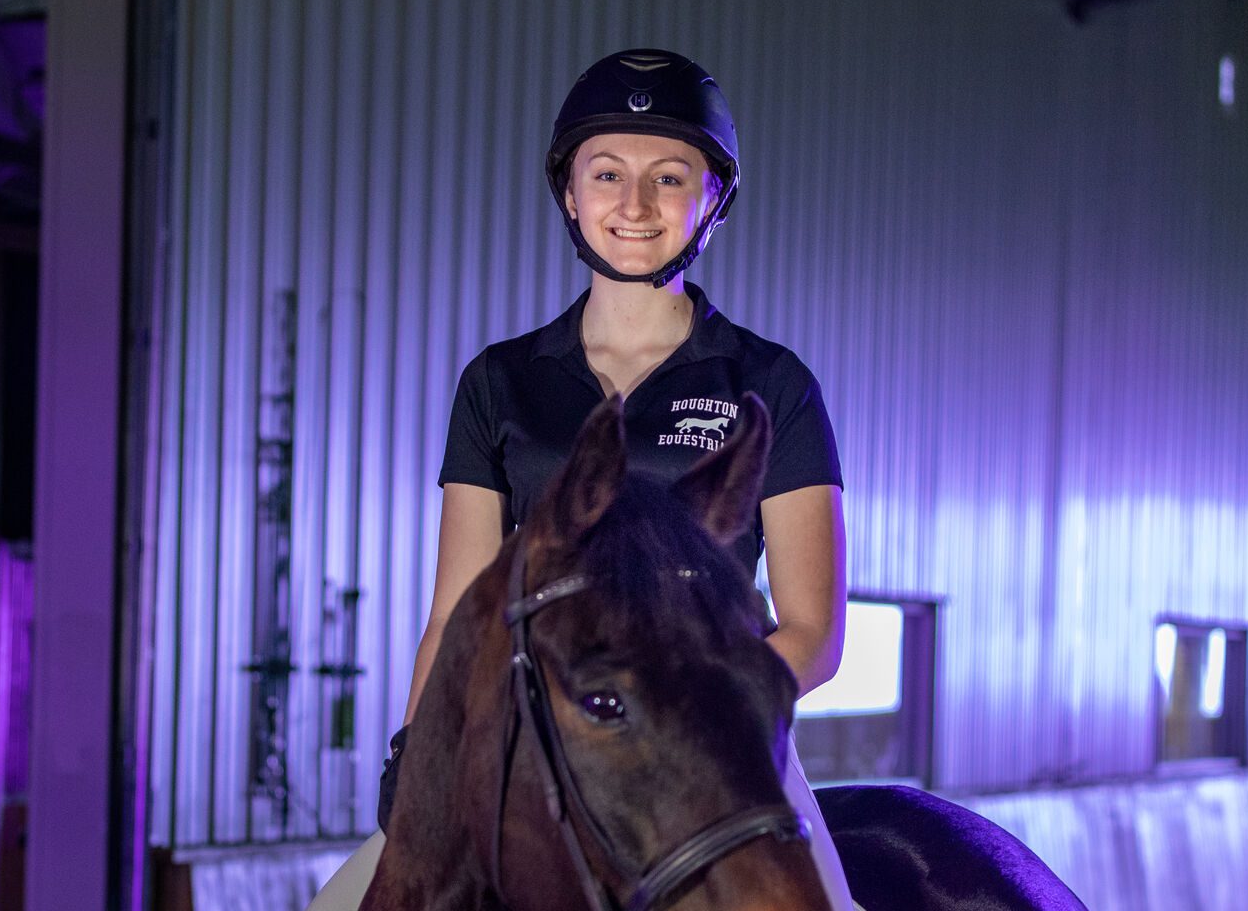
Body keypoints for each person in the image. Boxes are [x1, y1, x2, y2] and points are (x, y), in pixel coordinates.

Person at [307, 49, 856, 910]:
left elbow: (815, 633)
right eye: (608, 174)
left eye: (669, 177)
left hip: (716, 759)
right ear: (571, 194)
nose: (635, 204)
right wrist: (416, 755)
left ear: (713, 199)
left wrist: (681, 710)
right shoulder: (501, 383)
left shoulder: (772, 384)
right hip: (530, 743)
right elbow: (455, 611)